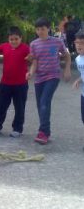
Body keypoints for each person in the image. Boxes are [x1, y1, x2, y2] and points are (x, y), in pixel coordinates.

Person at [26, 17, 71, 145]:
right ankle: (46, 131)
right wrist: (30, 72)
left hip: (53, 76)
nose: (40, 31)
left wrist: (67, 69)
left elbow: (66, 55)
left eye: (43, 29)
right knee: (41, 105)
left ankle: (43, 132)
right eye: (38, 29)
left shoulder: (57, 42)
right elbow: (35, 62)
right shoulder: (34, 44)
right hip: (39, 78)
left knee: (45, 102)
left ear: (49, 29)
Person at [0, 26, 30, 138]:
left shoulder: (26, 48)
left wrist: (32, 62)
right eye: (11, 39)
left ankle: (17, 128)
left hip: (21, 84)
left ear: (21, 38)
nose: (14, 41)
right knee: (1, 106)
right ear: (8, 39)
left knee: (19, 107)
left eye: (16, 39)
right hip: (5, 83)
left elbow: (34, 57)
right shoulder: (5, 46)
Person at [72, 31, 84, 150]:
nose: (79, 45)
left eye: (82, 43)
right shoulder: (78, 59)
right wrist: (78, 80)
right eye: (77, 43)